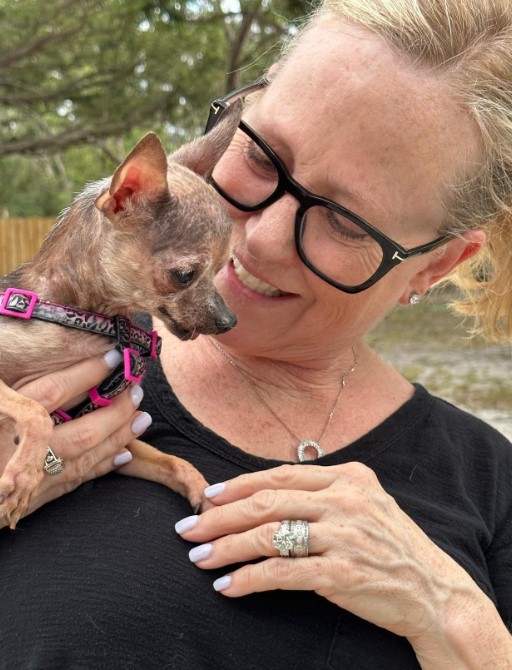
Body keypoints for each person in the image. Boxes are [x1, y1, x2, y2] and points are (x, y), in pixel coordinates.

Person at [1, 0, 512, 667]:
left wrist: (459, 619)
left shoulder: (486, 482)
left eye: (348, 222)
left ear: (438, 263)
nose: (260, 239)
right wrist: (30, 469)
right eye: (263, 155)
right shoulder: (48, 349)